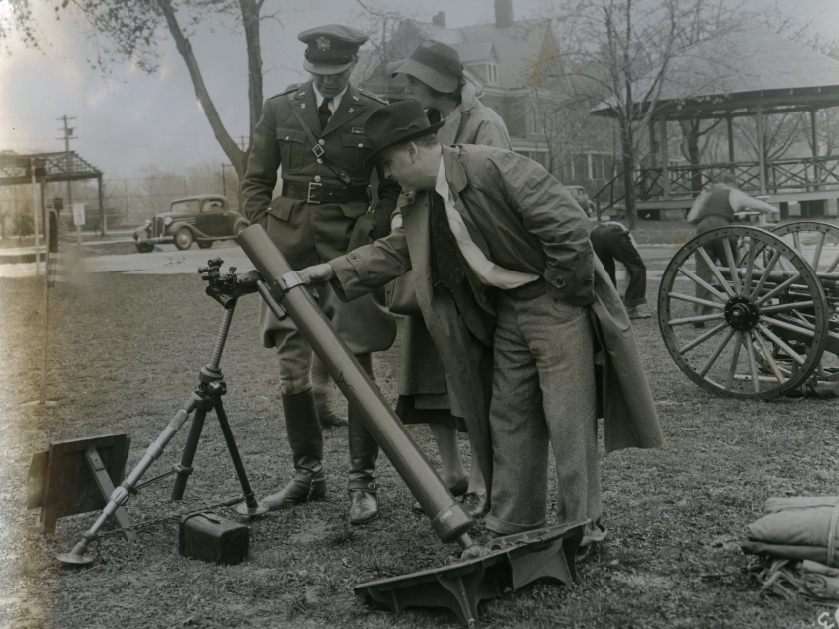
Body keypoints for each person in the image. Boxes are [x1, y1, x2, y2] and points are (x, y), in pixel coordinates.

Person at [297, 100, 664, 542]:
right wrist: (332, 270)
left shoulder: (494, 166)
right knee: (508, 416)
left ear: (413, 151)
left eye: (390, 165)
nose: (389, 177)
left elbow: (567, 226)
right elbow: (399, 250)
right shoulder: (425, 201)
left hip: (555, 303)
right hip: (509, 312)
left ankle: (581, 527)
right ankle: (514, 520)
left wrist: (563, 295)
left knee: (568, 418)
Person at [240, 25, 400, 525]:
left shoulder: (374, 112)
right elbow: (256, 181)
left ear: (352, 66)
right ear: (309, 67)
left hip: (348, 247)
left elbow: (392, 185)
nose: (327, 81)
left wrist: (370, 231)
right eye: (319, 73)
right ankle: (307, 476)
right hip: (287, 246)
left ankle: (361, 483)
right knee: (291, 364)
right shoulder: (280, 109)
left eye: (337, 73)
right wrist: (263, 239)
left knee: (355, 358)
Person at [388, 39, 511, 515]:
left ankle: (483, 476)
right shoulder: (422, 120)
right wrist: (403, 217)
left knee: (472, 371)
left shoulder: (486, 123)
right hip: (426, 259)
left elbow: (492, 193)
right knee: (427, 367)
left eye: (415, 82)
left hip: (467, 266)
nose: (410, 90)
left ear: (438, 84)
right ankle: (452, 472)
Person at [687, 173, 779, 325]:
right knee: (732, 269)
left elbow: (691, 217)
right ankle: (737, 306)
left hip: (702, 229)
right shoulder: (733, 193)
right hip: (722, 227)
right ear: (731, 183)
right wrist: (772, 210)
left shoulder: (706, 194)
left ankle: (700, 313)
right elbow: (755, 204)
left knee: (703, 272)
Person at [590, 220, 651, 319]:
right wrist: (627, 296)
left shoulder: (607, 225)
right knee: (638, 268)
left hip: (595, 233)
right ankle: (630, 309)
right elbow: (631, 270)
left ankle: (609, 305)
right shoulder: (628, 237)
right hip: (613, 233)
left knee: (604, 271)